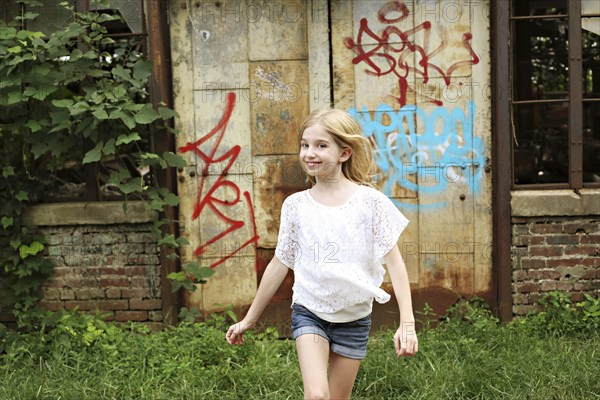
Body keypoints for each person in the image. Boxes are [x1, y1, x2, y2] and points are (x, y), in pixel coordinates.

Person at [226, 108, 418, 400]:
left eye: (321, 145)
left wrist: (407, 324)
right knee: (317, 396)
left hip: (354, 318)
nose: (309, 153)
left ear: (344, 153)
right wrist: (249, 319)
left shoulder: (371, 203)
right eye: (305, 145)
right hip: (310, 312)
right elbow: (280, 263)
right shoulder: (296, 206)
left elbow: (395, 263)